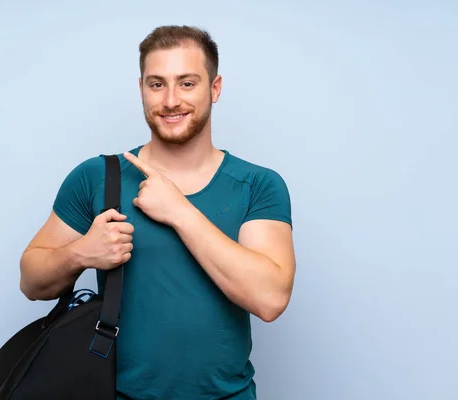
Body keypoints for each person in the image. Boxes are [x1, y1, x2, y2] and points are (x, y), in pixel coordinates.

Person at [19, 25, 296, 400]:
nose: (170, 101)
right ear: (141, 90)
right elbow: (31, 282)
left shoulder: (258, 184)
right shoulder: (97, 177)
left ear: (214, 89)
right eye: (156, 84)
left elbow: (270, 299)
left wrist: (179, 211)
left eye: (186, 83)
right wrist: (81, 253)